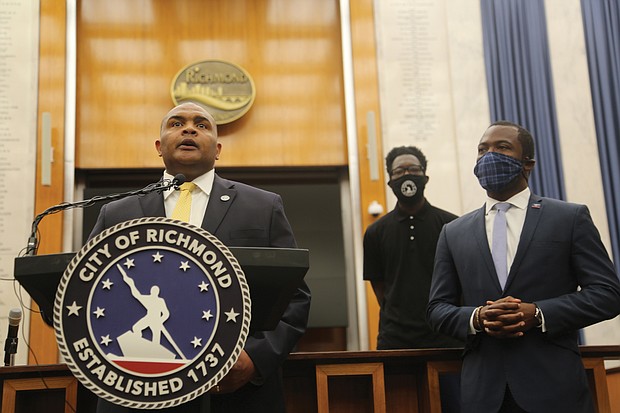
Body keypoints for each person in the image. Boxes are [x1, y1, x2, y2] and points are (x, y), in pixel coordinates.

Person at [89, 102, 311, 413]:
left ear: (218, 149)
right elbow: (85, 294)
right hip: (135, 392)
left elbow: (295, 297)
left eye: (202, 124)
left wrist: (256, 358)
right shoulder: (116, 213)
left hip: (233, 393)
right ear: (158, 146)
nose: (189, 129)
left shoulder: (262, 207)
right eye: (176, 123)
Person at [427, 120, 620, 413]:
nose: (489, 155)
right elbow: (437, 309)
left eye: (502, 147)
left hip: (555, 389)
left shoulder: (569, 218)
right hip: (483, 394)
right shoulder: (453, 232)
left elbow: (607, 294)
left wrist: (540, 313)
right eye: (482, 150)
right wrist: (478, 317)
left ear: (527, 164)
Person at [363, 146, 463, 350]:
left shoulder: (452, 226)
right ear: (390, 182)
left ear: (425, 177)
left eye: (414, 170)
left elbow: (461, 280)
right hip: (394, 339)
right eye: (399, 171)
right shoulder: (375, 232)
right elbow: (379, 286)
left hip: (445, 336)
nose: (407, 175)